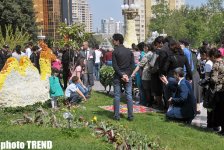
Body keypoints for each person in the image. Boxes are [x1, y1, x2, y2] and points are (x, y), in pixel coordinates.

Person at [112, 33, 135, 121]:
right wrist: (127, 75)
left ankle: (116, 115)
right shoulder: (129, 52)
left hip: (118, 76)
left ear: (117, 41)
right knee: (129, 95)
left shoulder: (115, 52)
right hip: (127, 75)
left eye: (113, 40)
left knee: (117, 96)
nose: (113, 42)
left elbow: (115, 66)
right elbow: (132, 65)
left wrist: (122, 75)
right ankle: (130, 116)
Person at [210, 49, 224, 134]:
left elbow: (214, 79)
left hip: (218, 89)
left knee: (219, 110)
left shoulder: (216, 64)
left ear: (213, 56)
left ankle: (222, 129)